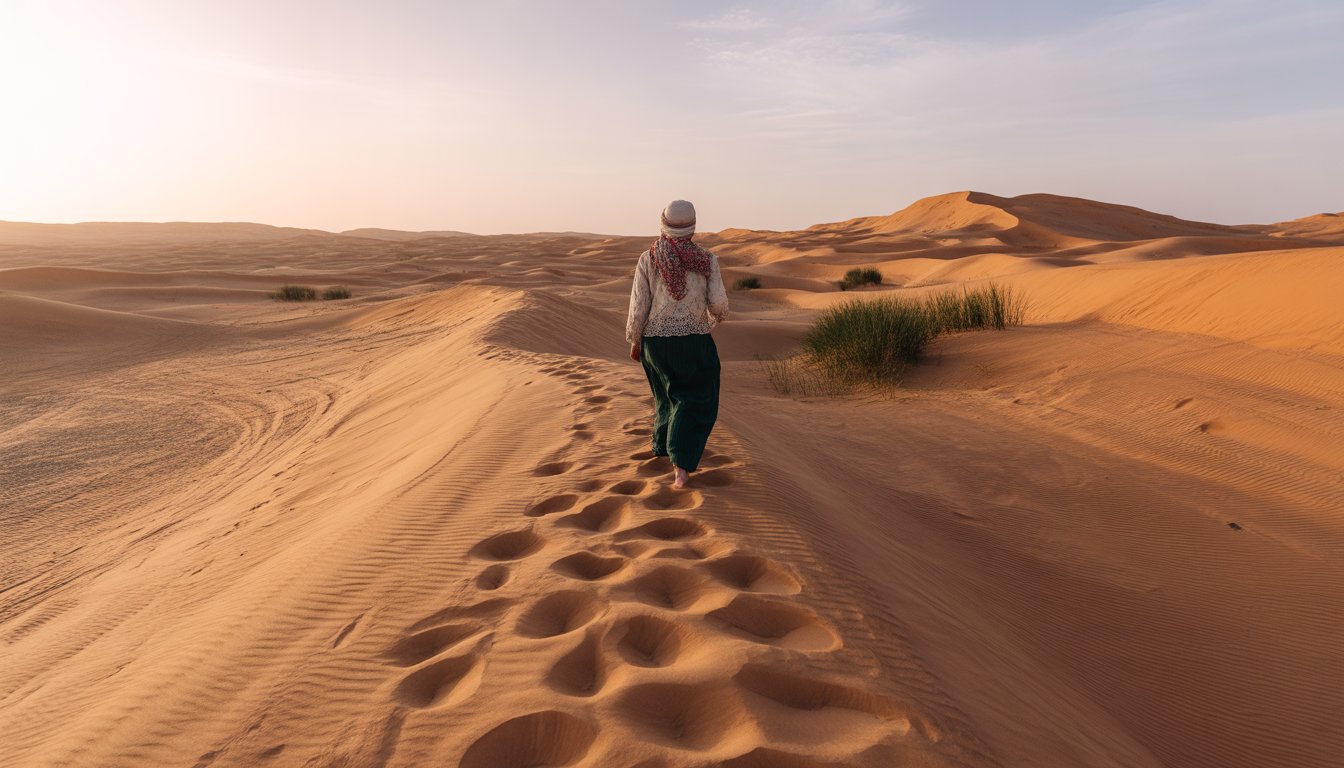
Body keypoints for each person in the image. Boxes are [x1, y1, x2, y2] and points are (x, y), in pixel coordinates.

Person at [625, 200, 729, 489]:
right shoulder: (706, 260)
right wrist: (714, 318)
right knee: (695, 398)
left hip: (654, 343)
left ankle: (661, 446)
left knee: (665, 394)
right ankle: (681, 466)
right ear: (693, 227)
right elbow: (719, 303)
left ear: (663, 223)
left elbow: (638, 306)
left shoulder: (648, 258)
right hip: (693, 341)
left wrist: (635, 340)